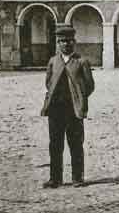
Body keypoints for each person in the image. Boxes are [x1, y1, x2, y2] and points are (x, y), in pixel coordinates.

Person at [40, 25, 95, 188]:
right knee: (55, 145)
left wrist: (79, 97)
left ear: (74, 42)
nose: (65, 44)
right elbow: (48, 83)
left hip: (73, 110)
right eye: (62, 41)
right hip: (55, 110)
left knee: (76, 144)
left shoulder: (81, 62)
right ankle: (55, 178)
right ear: (58, 43)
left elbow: (90, 85)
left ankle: (77, 177)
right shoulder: (53, 61)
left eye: (69, 41)